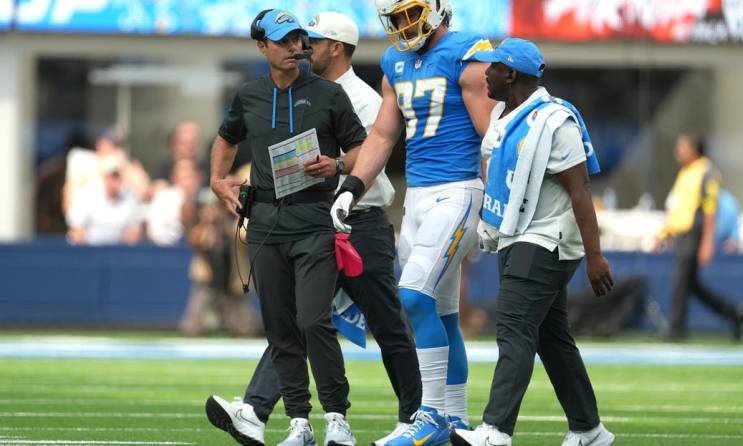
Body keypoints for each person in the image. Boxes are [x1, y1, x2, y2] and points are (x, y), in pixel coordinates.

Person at [205, 12, 422, 446]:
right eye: (293, 40)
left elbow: (370, 163)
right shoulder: (267, 94)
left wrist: (339, 166)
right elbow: (232, 137)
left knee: (383, 323)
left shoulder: (356, 97)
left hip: (358, 221)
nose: (303, 47)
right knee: (300, 319)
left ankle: (415, 414)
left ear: (335, 47)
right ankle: (265, 411)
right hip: (306, 220)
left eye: (312, 41)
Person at [331, 1, 497, 444]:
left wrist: (499, 202)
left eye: (412, 13)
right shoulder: (394, 62)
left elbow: (491, 137)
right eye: (397, 16)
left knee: (413, 295)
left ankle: (431, 414)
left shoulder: (468, 54)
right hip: (418, 197)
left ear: (438, 8)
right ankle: (457, 421)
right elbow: (383, 136)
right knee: (441, 314)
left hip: (459, 189)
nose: (404, 25)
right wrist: (351, 188)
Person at [447, 39, 615, 446]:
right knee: (551, 338)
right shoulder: (507, 117)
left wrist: (595, 257)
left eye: (493, 68)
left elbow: (580, 191)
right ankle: (588, 429)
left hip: (546, 240)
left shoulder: (557, 121)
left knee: (515, 329)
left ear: (512, 75)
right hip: (518, 236)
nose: (484, 74)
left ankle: (495, 430)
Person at [658, 133, 743, 341]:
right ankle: (734, 313)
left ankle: (676, 330)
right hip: (683, 233)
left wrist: (707, 241)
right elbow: (678, 208)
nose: (677, 150)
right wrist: (665, 233)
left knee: (681, 279)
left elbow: (710, 209)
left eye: (682, 146)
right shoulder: (685, 173)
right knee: (691, 284)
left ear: (694, 148)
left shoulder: (706, 171)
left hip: (695, 232)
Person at [66, 154, 144, 245]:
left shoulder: (131, 198)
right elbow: (76, 231)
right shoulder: (87, 195)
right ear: (104, 177)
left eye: (119, 175)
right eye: (113, 175)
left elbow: (134, 233)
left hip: (120, 252)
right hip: (90, 251)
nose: (117, 179)